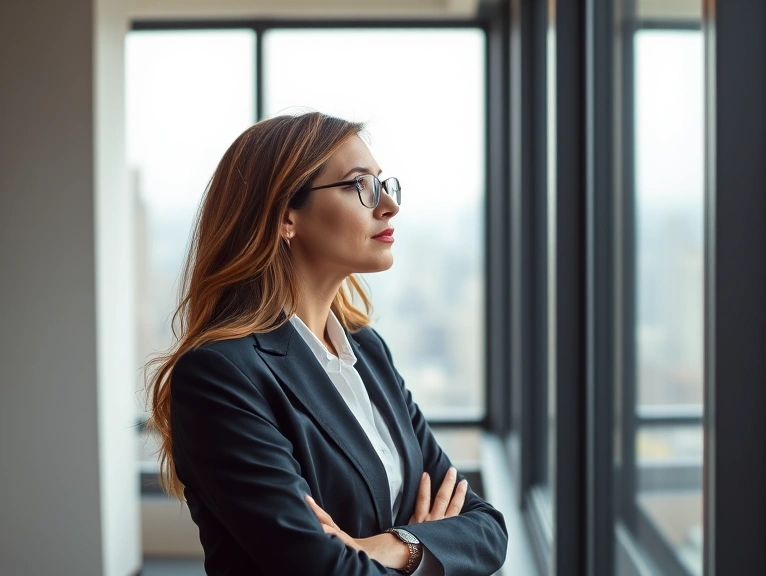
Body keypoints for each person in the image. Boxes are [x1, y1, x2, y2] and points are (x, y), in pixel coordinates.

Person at [145, 111, 508, 575]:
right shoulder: (220, 374)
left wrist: (389, 546)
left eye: (384, 184)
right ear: (285, 216)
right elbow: (323, 570)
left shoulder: (368, 351)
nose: (389, 206)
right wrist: (431, 550)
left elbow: (486, 527)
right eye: (360, 186)